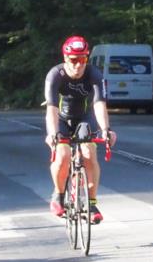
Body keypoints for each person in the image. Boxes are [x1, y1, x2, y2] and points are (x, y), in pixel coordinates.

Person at [44, 35, 115, 223]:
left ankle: (91, 204)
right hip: (61, 119)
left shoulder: (93, 74)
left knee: (90, 152)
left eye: (82, 59)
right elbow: (51, 108)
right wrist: (52, 134)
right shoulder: (55, 75)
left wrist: (106, 129)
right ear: (65, 58)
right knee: (64, 155)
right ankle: (58, 196)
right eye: (73, 60)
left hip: (84, 117)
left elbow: (99, 104)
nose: (78, 65)